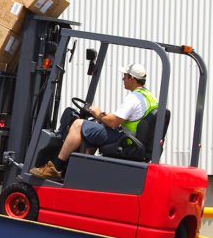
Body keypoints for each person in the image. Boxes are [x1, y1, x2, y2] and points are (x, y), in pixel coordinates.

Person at [29, 62, 158, 180]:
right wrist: (102, 117)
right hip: (132, 140)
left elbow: (113, 122)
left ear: (132, 78)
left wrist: (98, 113)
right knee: (97, 125)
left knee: (78, 125)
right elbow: (127, 118)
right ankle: (83, 169)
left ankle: (55, 168)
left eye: (125, 76)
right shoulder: (149, 96)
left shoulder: (133, 98)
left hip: (126, 141)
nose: (122, 79)